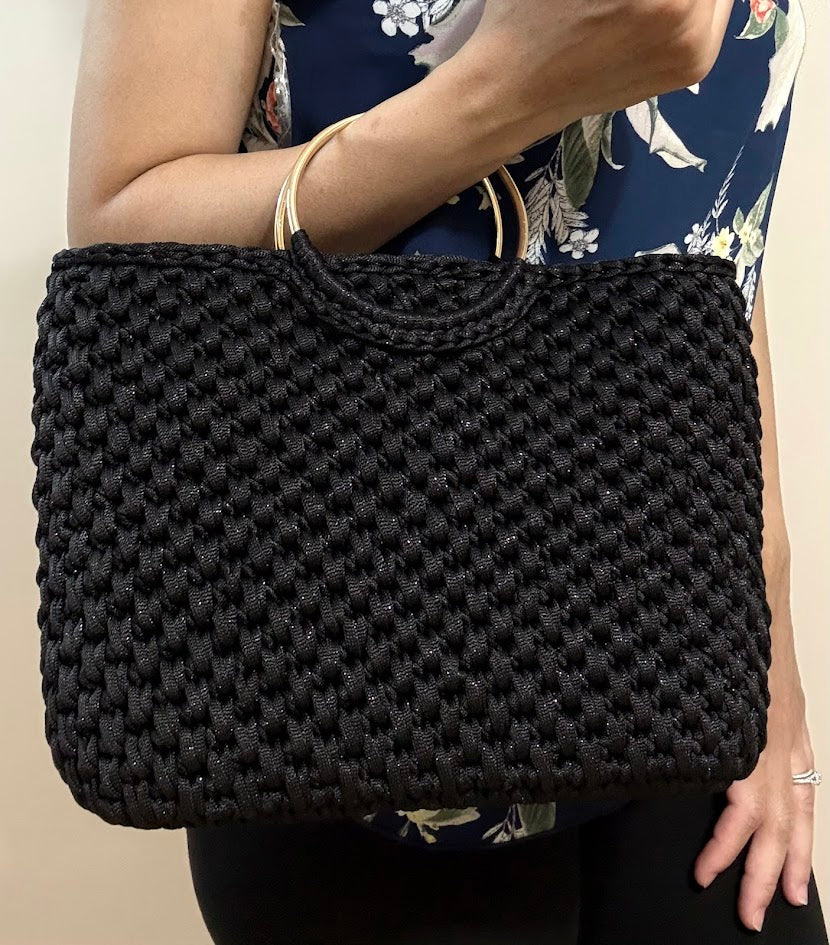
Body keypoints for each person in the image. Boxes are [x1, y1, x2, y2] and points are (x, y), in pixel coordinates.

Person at [67, 2, 827, 943]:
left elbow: (714, 234)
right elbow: (122, 244)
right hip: (342, 688)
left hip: (682, 652)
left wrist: (772, 624)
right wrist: (507, 91)